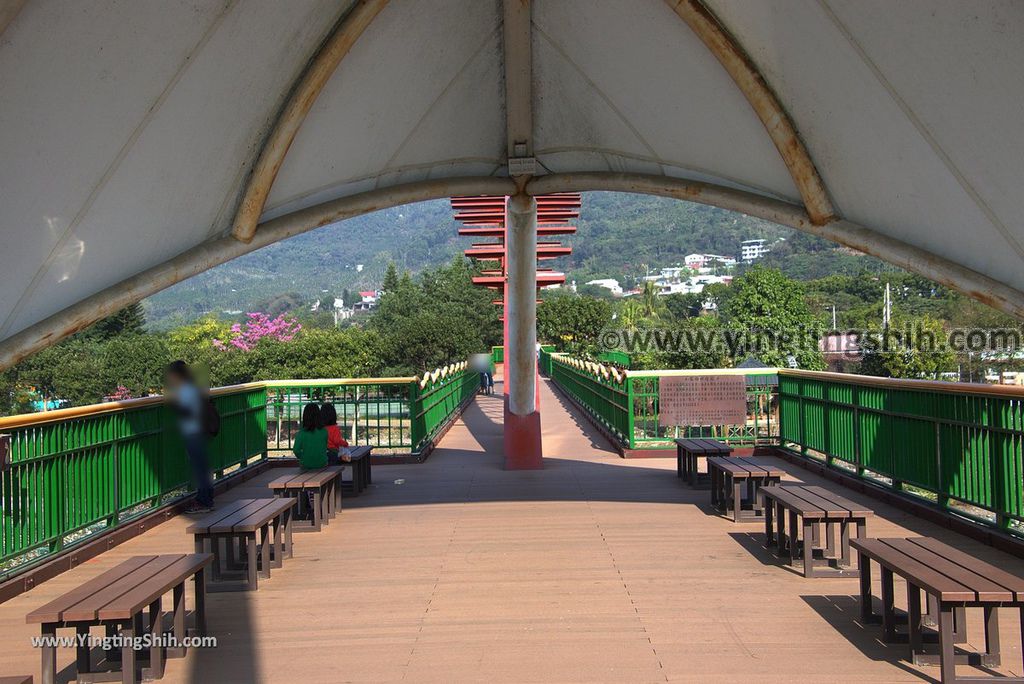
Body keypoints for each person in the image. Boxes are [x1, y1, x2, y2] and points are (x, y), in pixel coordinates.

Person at [166, 361, 214, 513]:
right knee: (203, 467)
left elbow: (187, 411)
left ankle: (203, 501)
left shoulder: (186, 390)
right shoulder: (193, 387)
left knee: (199, 468)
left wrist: (172, 402)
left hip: (193, 432)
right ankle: (207, 498)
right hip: (199, 432)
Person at [292, 402, 328, 470]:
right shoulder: (324, 431)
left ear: (305, 416)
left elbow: (296, 450)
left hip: (306, 464)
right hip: (322, 463)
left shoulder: (301, 433)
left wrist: (303, 457)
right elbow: (324, 447)